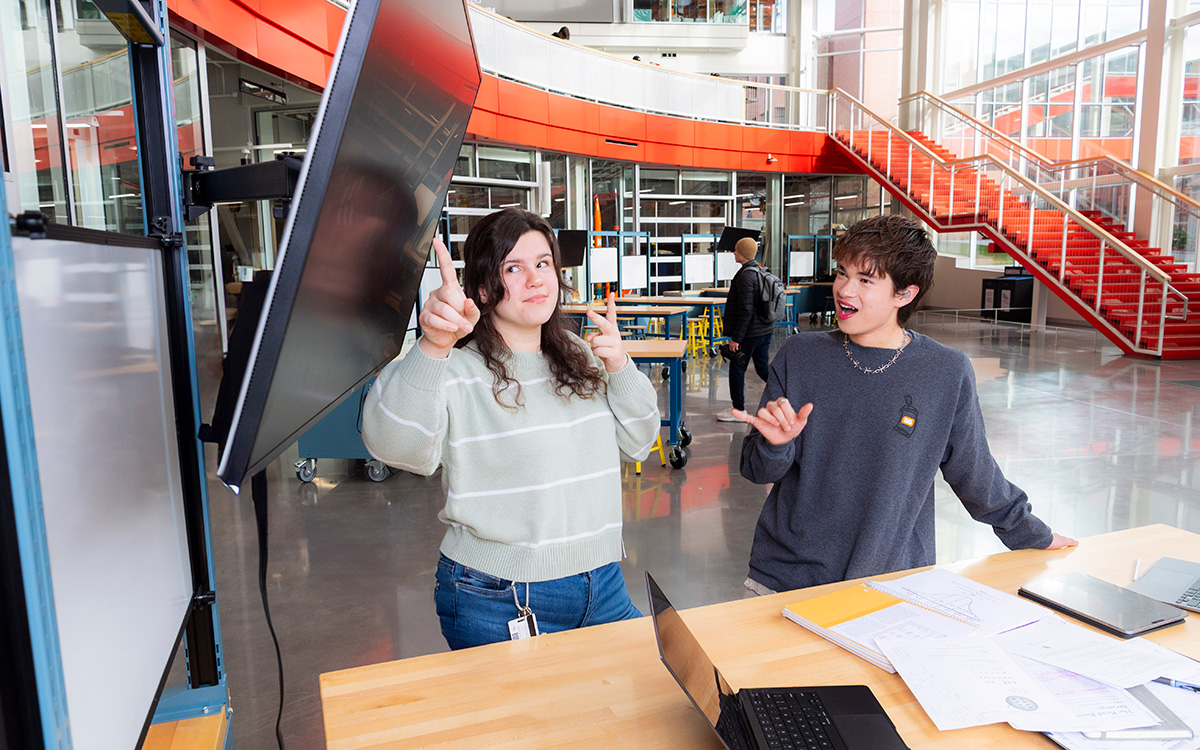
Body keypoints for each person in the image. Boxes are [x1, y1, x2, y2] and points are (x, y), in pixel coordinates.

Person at [362, 208, 660, 649]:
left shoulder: (580, 354)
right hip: (502, 596)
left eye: (543, 264)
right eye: (513, 268)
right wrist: (432, 345)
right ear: (484, 288)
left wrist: (619, 365)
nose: (536, 279)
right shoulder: (456, 368)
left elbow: (639, 441)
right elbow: (394, 446)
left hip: (604, 584)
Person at [734, 214, 1076, 595]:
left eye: (866, 280)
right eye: (842, 273)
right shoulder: (800, 355)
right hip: (787, 577)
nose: (845, 290)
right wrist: (775, 445)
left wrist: (1034, 535)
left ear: (905, 294)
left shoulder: (945, 371)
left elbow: (974, 474)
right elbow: (755, 468)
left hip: (893, 581)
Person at [714, 236, 774, 422]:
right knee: (763, 368)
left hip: (750, 333)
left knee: (737, 368)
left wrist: (736, 339)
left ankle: (738, 411)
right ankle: (787, 395)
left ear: (743, 253)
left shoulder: (746, 276)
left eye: (736, 250)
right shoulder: (758, 271)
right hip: (764, 329)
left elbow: (746, 311)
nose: (734, 252)